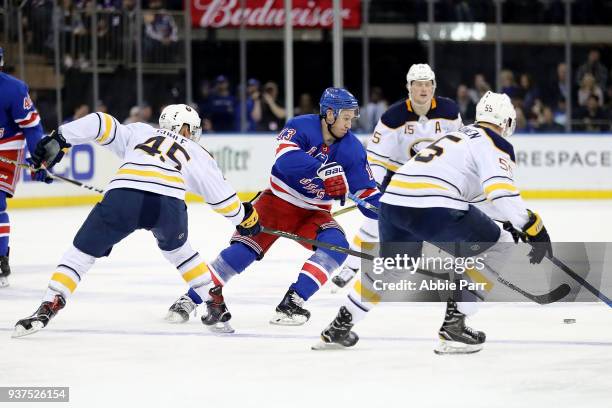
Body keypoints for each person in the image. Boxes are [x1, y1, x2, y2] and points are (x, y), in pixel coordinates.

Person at [316, 91, 552, 354]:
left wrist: (507, 218)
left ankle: (341, 323)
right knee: (500, 245)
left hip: (394, 202)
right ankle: (456, 323)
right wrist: (532, 225)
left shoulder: (457, 137)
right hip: (434, 204)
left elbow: (475, 196)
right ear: (507, 121)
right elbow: (501, 191)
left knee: (395, 266)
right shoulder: (493, 141)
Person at [12, 104, 261, 337]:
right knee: (180, 252)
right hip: (168, 206)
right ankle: (214, 302)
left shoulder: (141, 132)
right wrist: (244, 218)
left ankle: (50, 303)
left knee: (80, 254)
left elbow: (100, 122)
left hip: (123, 197)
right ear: (187, 129)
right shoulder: (197, 152)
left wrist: (61, 137)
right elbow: (222, 198)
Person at [165, 88, 380, 329]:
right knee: (240, 253)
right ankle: (190, 299)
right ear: (329, 114)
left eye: (352, 118)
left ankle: (292, 302)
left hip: (314, 213)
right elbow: (285, 160)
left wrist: (386, 210)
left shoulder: (353, 148)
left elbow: (366, 192)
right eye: (346, 118)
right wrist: (322, 170)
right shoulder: (301, 126)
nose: (350, 125)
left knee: (337, 246)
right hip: (275, 204)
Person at [331, 64, 462, 291]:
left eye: (427, 84)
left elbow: (461, 147)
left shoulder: (450, 111)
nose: (423, 89)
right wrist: (374, 189)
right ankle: (351, 266)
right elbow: (377, 158)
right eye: (418, 84)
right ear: (408, 87)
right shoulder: (393, 116)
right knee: (374, 220)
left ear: (434, 86)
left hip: (435, 180)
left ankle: (458, 272)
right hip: (399, 179)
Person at [0, 46, 53, 288]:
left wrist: (39, 159)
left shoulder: (13, 89)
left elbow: (31, 128)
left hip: (6, 149)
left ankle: (1, 258)